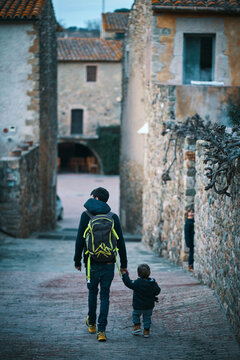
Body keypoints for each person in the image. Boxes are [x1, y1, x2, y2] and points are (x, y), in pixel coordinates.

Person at [74, 187, 128, 342]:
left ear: (96, 198)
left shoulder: (86, 216)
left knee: (92, 293)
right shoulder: (113, 217)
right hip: (109, 263)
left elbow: (79, 240)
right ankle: (102, 331)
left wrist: (77, 261)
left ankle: (91, 323)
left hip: (91, 262)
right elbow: (120, 243)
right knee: (105, 295)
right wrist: (123, 264)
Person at [121, 263, 161, 338]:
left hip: (138, 305)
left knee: (135, 315)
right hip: (149, 306)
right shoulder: (152, 283)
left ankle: (137, 326)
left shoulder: (137, 283)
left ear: (138, 274)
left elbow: (128, 283)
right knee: (147, 318)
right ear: (149, 273)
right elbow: (157, 291)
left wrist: (124, 275)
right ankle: (146, 331)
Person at [184, 207, 195, 272]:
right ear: (188, 213)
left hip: (192, 240)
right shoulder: (188, 221)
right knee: (191, 253)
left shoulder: (192, 220)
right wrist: (189, 242)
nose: (191, 213)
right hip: (190, 240)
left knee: (192, 252)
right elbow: (187, 233)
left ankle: (190, 265)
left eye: (192, 212)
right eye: (190, 212)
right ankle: (190, 265)